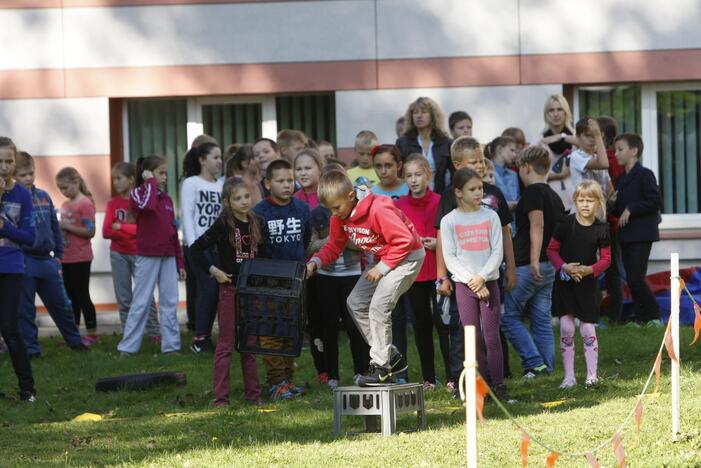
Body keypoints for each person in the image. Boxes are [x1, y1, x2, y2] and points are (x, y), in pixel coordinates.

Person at [307, 170, 425, 386]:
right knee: (356, 302)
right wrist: (315, 262)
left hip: (407, 257)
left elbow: (404, 241)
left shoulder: (379, 208)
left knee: (378, 306)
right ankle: (391, 357)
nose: (334, 213)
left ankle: (381, 367)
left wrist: (382, 267)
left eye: (336, 207)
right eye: (330, 209)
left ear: (351, 196)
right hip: (383, 259)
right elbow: (334, 245)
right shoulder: (339, 217)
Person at [434, 136, 516, 391]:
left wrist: (483, 277)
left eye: (481, 188)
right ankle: (478, 385)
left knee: (492, 336)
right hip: (464, 285)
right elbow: (450, 255)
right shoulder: (449, 220)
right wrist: (469, 279)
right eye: (473, 189)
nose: (479, 193)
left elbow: (497, 250)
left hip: (488, 281)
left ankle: (498, 384)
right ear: (459, 192)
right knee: (471, 337)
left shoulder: (490, 215)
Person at [190, 178, 263, 406]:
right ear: (227, 202)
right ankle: (221, 398)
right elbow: (195, 250)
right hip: (229, 290)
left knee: (249, 344)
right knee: (225, 344)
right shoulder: (223, 224)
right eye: (237, 198)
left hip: (250, 292)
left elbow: (265, 254)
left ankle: (254, 396)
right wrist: (215, 271)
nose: (243, 202)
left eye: (246, 196)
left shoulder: (257, 222)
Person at [15, 151, 89, 357]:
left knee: (62, 305)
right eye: (23, 175)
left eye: (31, 173)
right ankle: (31, 349)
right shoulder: (13, 201)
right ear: (13, 176)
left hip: (47, 260)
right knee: (26, 310)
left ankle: (74, 341)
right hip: (25, 260)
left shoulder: (44, 197)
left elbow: (55, 227)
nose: (29, 178)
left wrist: (58, 254)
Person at [501, 146, 565, 377]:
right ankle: (546, 368)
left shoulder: (533, 193)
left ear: (526, 167)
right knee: (541, 319)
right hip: (549, 266)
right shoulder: (553, 196)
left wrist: (534, 259)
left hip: (530, 265)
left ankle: (533, 362)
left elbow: (537, 224)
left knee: (509, 318)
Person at [308, 163, 370, 389]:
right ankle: (331, 374)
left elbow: (362, 244)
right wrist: (334, 240)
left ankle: (362, 370)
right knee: (328, 326)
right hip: (326, 276)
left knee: (355, 325)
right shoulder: (317, 213)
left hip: (352, 273)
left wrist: (342, 239)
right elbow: (311, 246)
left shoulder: (357, 210)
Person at [253, 159, 311, 400]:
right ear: (267, 183)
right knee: (271, 331)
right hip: (269, 282)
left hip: (296, 279)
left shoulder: (301, 208)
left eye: (290, 180)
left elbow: (305, 240)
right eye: (280, 181)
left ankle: (288, 379)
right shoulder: (259, 212)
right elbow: (256, 245)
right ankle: (276, 382)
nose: (287, 185)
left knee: (291, 329)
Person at [117, 155, 185, 355]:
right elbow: (147, 205)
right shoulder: (138, 193)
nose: (165, 177)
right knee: (141, 301)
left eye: (165, 173)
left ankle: (171, 347)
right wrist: (149, 182)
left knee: (170, 302)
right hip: (148, 256)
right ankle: (128, 347)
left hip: (168, 256)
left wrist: (179, 262)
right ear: (148, 174)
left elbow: (173, 232)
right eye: (161, 173)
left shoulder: (168, 200)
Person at [547, 180, 611, 388]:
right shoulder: (566, 223)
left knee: (587, 330)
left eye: (590, 200)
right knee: (566, 327)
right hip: (565, 284)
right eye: (581, 200)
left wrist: (589, 270)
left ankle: (591, 376)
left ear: (598, 203)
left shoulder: (602, 228)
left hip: (587, 285)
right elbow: (551, 251)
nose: (585, 204)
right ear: (575, 201)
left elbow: (606, 259)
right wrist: (564, 267)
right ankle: (569, 376)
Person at [395, 154, 443, 390]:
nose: (414, 180)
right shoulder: (399, 205)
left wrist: (437, 244)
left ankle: (454, 377)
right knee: (421, 326)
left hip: (439, 270)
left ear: (428, 175)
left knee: (444, 324)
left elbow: (450, 233)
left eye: (418, 174)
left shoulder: (441, 202)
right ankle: (429, 378)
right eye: (409, 176)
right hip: (414, 274)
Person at [103, 162, 160, 343]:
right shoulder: (113, 203)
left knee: (146, 294)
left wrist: (121, 227)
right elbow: (106, 231)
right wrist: (131, 229)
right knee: (124, 296)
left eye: (119, 178)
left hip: (139, 253)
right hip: (118, 254)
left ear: (131, 180)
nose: (115, 183)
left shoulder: (139, 200)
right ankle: (129, 334)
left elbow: (143, 230)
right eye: (114, 179)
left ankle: (154, 332)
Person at [612, 133, 663, 326]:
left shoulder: (645, 174)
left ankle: (654, 315)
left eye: (620, 149)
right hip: (626, 235)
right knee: (632, 278)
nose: (616, 154)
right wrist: (611, 204)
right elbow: (619, 210)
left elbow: (654, 201)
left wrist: (631, 208)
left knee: (635, 278)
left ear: (634, 151)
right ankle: (642, 317)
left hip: (642, 234)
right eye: (615, 149)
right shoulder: (620, 179)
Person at [0, 136, 37, 402]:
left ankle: (28, 389)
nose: (3, 166)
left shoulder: (23, 195)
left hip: (11, 266)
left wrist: (6, 229)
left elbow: (30, 236)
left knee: (9, 328)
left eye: (8, 161)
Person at [181, 142, 223, 353]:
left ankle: (206, 336)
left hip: (216, 246)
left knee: (215, 289)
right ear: (202, 160)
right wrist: (193, 243)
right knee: (208, 288)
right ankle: (200, 339)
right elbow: (187, 214)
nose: (219, 161)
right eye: (215, 157)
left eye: (220, 157)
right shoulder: (191, 183)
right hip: (197, 245)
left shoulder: (221, 185)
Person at [55, 167, 99, 343]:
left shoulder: (85, 203)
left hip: (81, 257)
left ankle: (93, 333)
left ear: (76, 182)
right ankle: (73, 335)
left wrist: (67, 227)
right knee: (70, 297)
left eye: (65, 187)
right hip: (66, 256)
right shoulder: (65, 205)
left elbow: (90, 231)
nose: (63, 192)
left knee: (82, 295)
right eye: (60, 189)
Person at [597, 116, 624, 323]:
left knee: (612, 269)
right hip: (608, 221)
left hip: (610, 222)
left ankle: (614, 315)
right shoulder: (609, 158)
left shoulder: (609, 159)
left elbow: (613, 192)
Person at [397, 97, 453, 193]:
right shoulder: (403, 142)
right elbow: (398, 174)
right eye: (415, 112)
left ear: (433, 115)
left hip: (438, 197)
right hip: (410, 196)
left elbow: (455, 174)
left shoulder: (445, 142)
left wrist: (447, 196)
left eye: (424, 112)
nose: (419, 116)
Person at [539, 94, 577, 212]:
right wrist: (559, 175)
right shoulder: (540, 141)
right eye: (551, 110)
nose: (556, 114)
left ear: (566, 112)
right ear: (546, 114)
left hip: (577, 200)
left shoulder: (576, 138)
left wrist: (562, 136)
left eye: (559, 109)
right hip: (550, 200)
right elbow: (534, 175)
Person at [568, 118, 610, 197]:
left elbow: (608, 185)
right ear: (577, 136)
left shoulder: (598, 157)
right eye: (587, 135)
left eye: (593, 136)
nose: (592, 139)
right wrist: (597, 135)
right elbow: (603, 164)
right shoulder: (576, 156)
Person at [486, 136, 520, 210]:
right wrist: (505, 205)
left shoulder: (513, 174)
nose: (515, 155)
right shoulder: (487, 172)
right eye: (512, 150)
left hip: (514, 219)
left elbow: (517, 198)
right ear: (500, 149)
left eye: (515, 152)